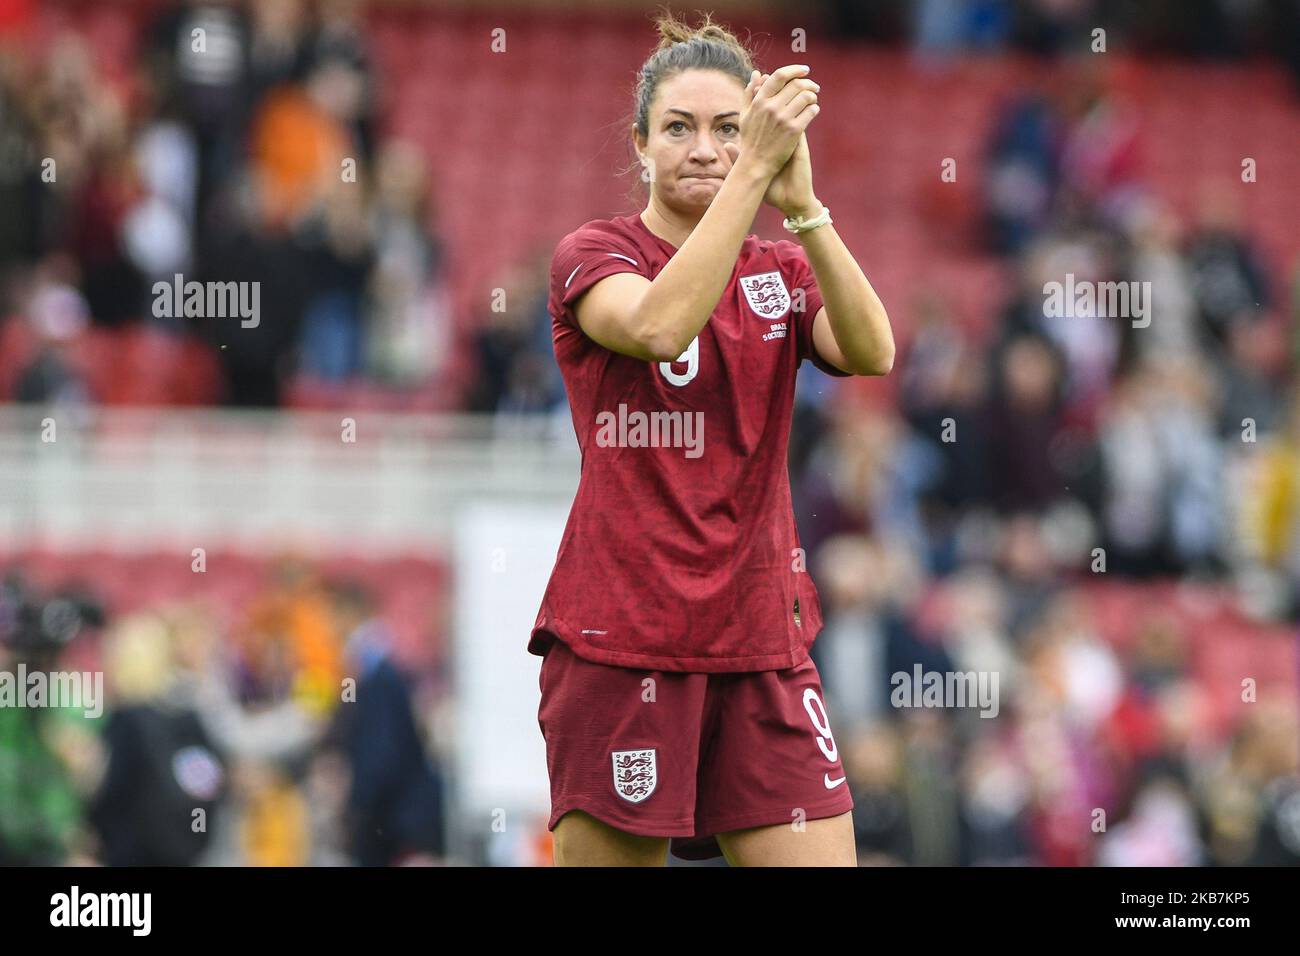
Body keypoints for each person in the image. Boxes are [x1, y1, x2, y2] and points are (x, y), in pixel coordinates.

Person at [529, 13, 894, 867]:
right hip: (622, 643)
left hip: (762, 642)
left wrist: (803, 206)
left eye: (731, 129)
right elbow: (659, 326)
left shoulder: (780, 269)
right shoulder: (595, 253)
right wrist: (752, 174)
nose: (705, 148)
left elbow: (873, 350)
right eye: (679, 128)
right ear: (640, 144)